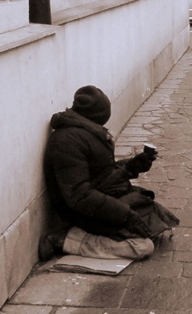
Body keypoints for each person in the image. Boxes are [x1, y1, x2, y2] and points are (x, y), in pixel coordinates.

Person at [39, 85, 180, 262]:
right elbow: (79, 196)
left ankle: (93, 231)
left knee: (154, 216)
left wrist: (132, 166)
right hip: (80, 211)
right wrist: (126, 215)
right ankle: (65, 239)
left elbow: (102, 175)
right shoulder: (67, 142)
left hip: (99, 197)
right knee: (142, 246)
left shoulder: (88, 132)